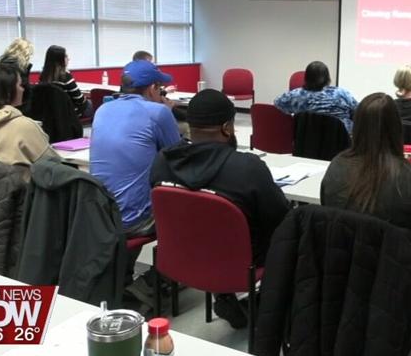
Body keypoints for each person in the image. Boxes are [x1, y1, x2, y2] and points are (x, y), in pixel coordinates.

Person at [150, 89, 290, 328]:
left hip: (181, 257)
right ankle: (265, 307)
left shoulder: (164, 160)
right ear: (227, 128)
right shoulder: (247, 168)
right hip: (241, 264)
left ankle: (226, 295)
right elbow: (281, 219)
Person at [320, 92, 411, 292]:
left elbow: (328, 209)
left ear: (356, 127)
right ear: (397, 128)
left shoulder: (337, 166)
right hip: (394, 277)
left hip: (341, 269)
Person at [90, 60, 182, 237]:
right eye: (160, 88)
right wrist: (167, 111)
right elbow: (177, 159)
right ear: (152, 88)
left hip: (100, 216)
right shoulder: (158, 112)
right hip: (134, 220)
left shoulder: (102, 109)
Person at [0, 62, 57, 166]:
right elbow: (52, 162)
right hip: (19, 182)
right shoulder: (24, 126)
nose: (23, 89)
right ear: (8, 91)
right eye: (20, 85)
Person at [274, 61, 357, 134]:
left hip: (306, 141)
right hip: (341, 141)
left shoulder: (295, 95)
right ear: (327, 77)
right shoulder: (341, 93)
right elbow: (359, 110)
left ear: (306, 78)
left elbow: (277, 104)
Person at [39, 45, 90, 116]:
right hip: (68, 113)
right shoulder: (66, 76)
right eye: (66, 56)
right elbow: (79, 99)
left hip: (50, 114)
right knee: (92, 104)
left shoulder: (43, 76)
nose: (68, 59)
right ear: (59, 60)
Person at [0, 38, 34, 107]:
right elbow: (24, 88)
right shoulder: (19, 66)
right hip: (18, 105)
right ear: (26, 52)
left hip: (1, 102)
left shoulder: (0, 63)